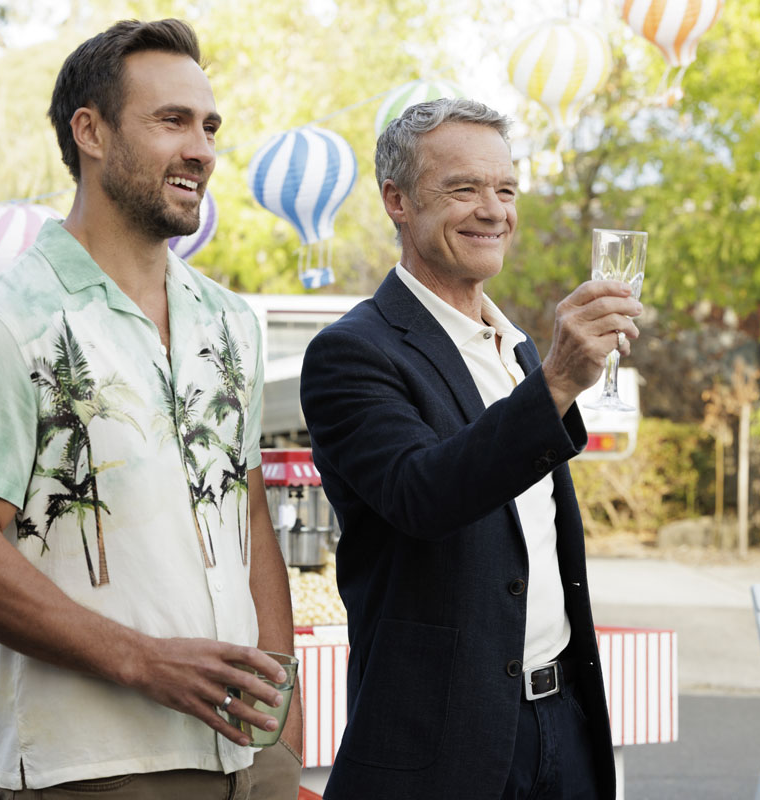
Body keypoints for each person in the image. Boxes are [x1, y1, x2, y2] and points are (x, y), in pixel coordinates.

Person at [0, 19, 302, 799]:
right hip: (95, 770)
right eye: (172, 121)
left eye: (209, 126)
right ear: (90, 132)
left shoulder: (230, 323)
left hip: (249, 760)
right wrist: (142, 661)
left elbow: (247, 510)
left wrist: (282, 718)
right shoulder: (4, 328)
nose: (201, 149)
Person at [299, 98, 641, 799]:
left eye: (505, 189)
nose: (493, 210)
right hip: (444, 744)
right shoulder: (351, 353)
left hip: (564, 724)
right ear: (397, 201)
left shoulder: (516, 348)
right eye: (463, 188)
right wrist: (557, 383)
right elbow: (421, 494)